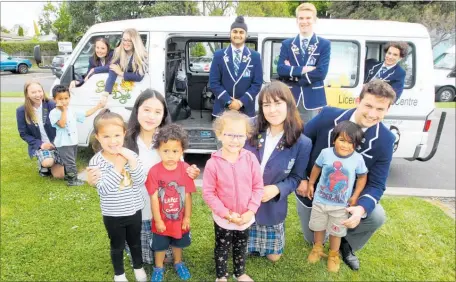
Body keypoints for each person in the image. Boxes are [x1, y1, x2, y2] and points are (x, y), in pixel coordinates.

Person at [87, 89, 200, 266]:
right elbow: (104, 167)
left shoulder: (169, 141)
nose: (151, 116)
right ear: (137, 110)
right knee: (144, 259)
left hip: (167, 210)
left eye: (157, 112)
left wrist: (190, 171)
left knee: (168, 257)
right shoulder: (122, 139)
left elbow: (180, 170)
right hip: (135, 211)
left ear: (164, 115)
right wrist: (94, 178)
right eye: (146, 110)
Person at [295, 80, 397, 271]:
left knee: (377, 216)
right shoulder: (327, 116)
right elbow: (301, 143)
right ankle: (324, 238)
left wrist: (360, 209)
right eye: (368, 105)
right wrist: (301, 177)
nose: (372, 114)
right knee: (313, 238)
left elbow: (376, 184)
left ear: (388, 110)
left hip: (349, 199)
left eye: (380, 109)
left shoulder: (386, 140)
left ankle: (344, 244)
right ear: (358, 100)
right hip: (315, 192)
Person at [244, 81, 312, 262]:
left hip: (270, 205)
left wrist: (277, 189)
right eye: (266, 105)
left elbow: (297, 177)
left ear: (289, 105)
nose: (272, 110)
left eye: (277, 103)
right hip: (242, 199)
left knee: (273, 257)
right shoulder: (248, 128)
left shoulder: (302, 142)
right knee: (239, 248)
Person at [203, 110, 264, 282]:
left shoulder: (251, 159)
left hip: (245, 216)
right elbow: (209, 193)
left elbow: (258, 187)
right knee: (222, 247)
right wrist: (226, 213)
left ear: (247, 136)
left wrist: (250, 211)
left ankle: (240, 273)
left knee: (241, 245)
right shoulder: (212, 163)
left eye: (240, 135)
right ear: (219, 134)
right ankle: (221, 275)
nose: (235, 140)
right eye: (230, 134)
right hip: (224, 217)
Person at [89, 109, 148, 282]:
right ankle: (119, 274)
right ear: (98, 137)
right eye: (106, 137)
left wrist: (131, 161)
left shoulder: (131, 155)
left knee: (135, 242)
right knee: (117, 245)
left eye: (116, 135)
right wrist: (117, 166)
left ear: (124, 134)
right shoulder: (96, 162)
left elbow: (140, 181)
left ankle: (138, 268)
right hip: (112, 214)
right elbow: (103, 189)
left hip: (134, 210)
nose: (112, 141)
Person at [306, 120, 367, 273]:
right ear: (334, 139)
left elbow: (362, 177)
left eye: (350, 142)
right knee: (318, 227)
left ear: (356, 144)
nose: (345, 145)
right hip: (320, 201)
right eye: (341, 140)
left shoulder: (357, 159)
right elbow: (317, 167)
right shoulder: (325, 153)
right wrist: (311, 184)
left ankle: (334, 254)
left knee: (336, 231)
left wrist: (355, 195)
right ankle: (317, 248)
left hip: (341, 205)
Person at [145, 124, 195, 282]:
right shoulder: (154, 171)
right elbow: (153, 198)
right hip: (162, 220)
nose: (170, 155)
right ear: (158, 150)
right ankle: (158, 267)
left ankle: (178, 262)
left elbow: (187, 196)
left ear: (182, 151)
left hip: (179, 220)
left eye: (175, 151)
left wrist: (187, 218)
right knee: (160, 246)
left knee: (177, 243)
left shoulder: (185, 169)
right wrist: (158, 220)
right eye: (165, 151)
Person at [277, 2, 331, 123]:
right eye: (301, 18)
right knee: (289, 135)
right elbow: (280, 69)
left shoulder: (324, 44)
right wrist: (303, 69)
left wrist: (293, 76)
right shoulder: (287, 44)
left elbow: (321, 73)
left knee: (311, 135)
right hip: (291, 97)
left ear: (314, 20)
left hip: (314, 99)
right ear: (297, 20)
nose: (304, 21)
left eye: (308, 18)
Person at [49, 84, 105, 186]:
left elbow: (85, 114)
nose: (64, 101)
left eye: (66, 98)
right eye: (60, 99)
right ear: (54, 100)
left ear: (69, 98)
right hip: (64, 142)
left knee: (72, 160)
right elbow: (62, 124)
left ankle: (68, 176)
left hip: (73, 141)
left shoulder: (72, 110)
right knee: (70, 162)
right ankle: (72, 180)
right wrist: (63, 111)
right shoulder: (54, 113)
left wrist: (98, 107)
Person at [209, 16, 262, 118]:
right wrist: (229, 102)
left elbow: (257, 84)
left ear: (246, 35)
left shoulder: (255, 56)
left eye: (241, 32)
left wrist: (241, 102)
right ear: (230, 34)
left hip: (246, 110)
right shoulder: (219, 55)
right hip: (222, 110)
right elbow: (214, 83)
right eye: (235, 31)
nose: (238, 35)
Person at [16, 80, 64, 178]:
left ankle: (55, 160)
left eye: (39, 91)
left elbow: (62, 126)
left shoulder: (52, 104)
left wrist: (55, 143)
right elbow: (23, 133)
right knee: (48, 162)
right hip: (41, 145)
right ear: (27, 94)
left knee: (60, 175)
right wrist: (41, 144)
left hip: (57, 142)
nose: (38, 95)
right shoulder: (21, 111)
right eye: (33, 92)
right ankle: (44, 164)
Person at [101, 28, 148, 102]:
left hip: (138, 93)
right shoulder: (118, 52)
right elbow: (112, 70)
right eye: (124, 40)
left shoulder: (142, 55)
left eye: (130, 40)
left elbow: (139, 76)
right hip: (123, 92)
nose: (126, 43)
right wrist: (106, 93)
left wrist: (121, 73)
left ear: (135, 41)